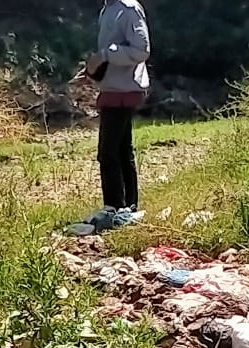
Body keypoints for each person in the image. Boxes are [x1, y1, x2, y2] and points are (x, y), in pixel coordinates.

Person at [87, 0, 151, 213]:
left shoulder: (129, 9)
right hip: (112, 88)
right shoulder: (107, 9)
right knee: (122, 151)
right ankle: (128, 207)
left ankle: (114, 207)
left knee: (108, 153)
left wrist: (105, 55)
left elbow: (141, 50)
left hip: (124, 90)